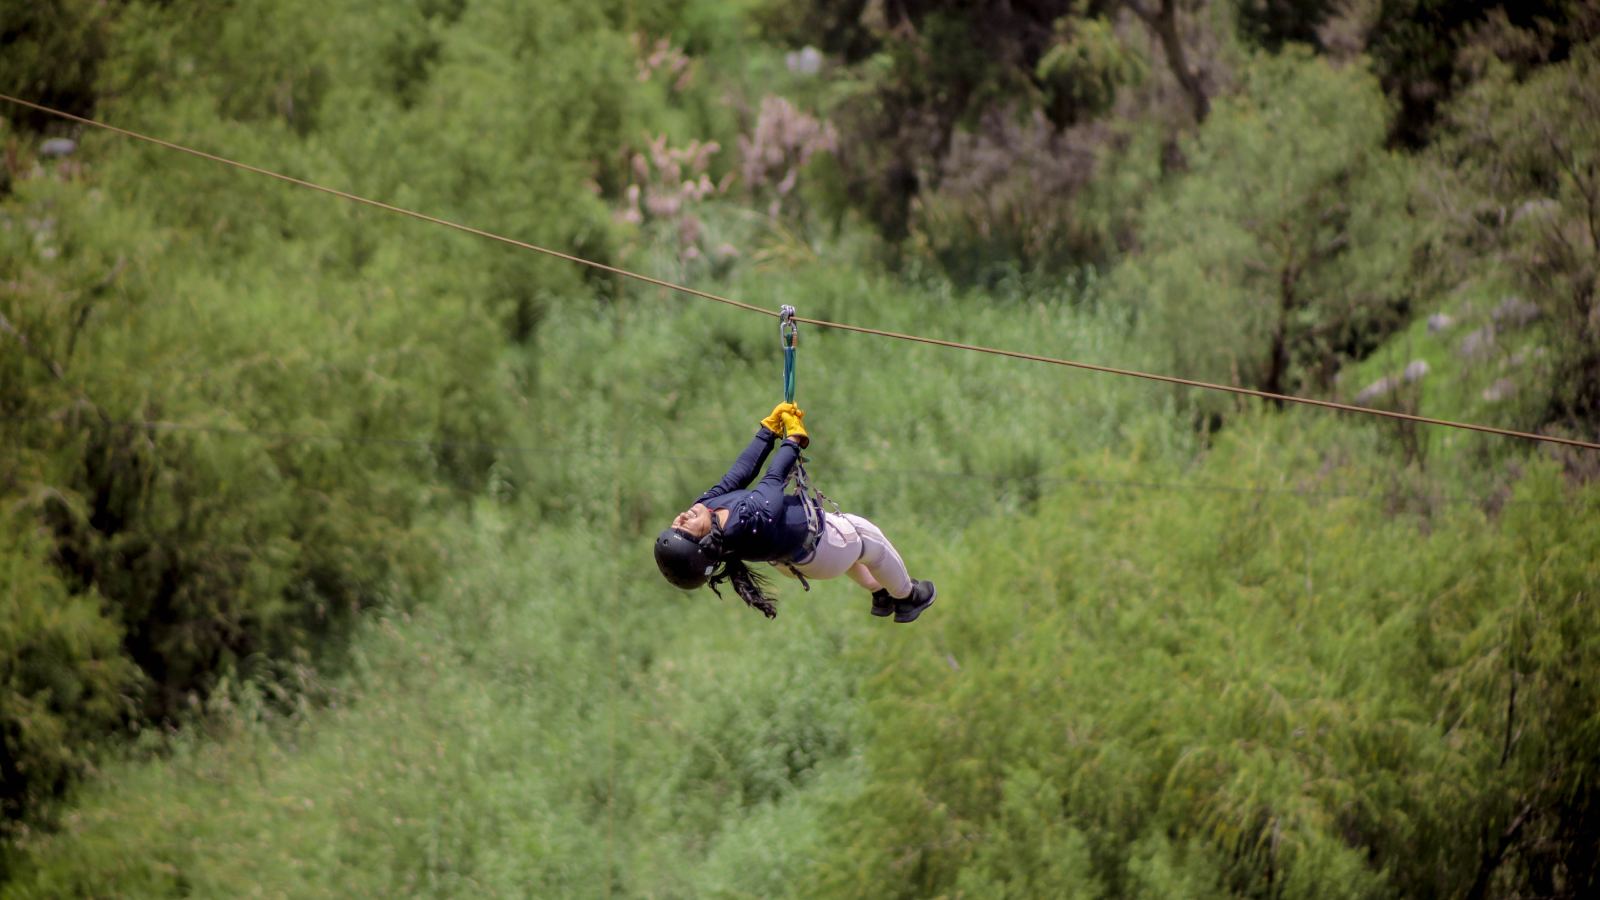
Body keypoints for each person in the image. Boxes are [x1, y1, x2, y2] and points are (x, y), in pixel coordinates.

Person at [654, 402, 936, 623]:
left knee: (855, 555)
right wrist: (794, 440)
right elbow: (772, 482)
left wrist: (767, 432)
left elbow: (737, 475)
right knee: (866, 539)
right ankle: (909, 597)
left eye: (674, 525)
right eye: (683, 531)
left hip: (802, 555)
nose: (681, 519)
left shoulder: (706, 509)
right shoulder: (744, 523)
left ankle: (880, 592)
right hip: (821, 551)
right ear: (704, 543)